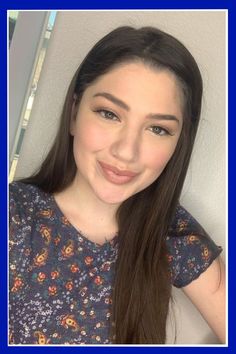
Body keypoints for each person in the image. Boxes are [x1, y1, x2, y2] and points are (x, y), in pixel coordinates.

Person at [9, 26, 225, 345]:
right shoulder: (14, 216)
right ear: (74, 113)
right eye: (109, 114)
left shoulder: (175, 236)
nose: (126, 151)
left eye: (158, 129)